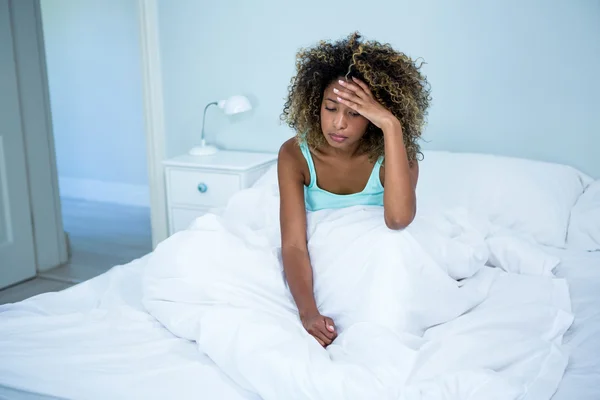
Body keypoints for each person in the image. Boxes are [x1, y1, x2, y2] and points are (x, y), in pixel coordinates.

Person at [277, 32, 431, 348]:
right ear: (314, 104)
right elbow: (293, 244)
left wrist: (392, 127)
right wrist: (308, 313)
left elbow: (398, 220)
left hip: (379, 261)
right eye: (331, 108)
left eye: (355, 112)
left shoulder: (397, 154)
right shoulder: (295, 154)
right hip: (326, 261)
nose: (339, 124)